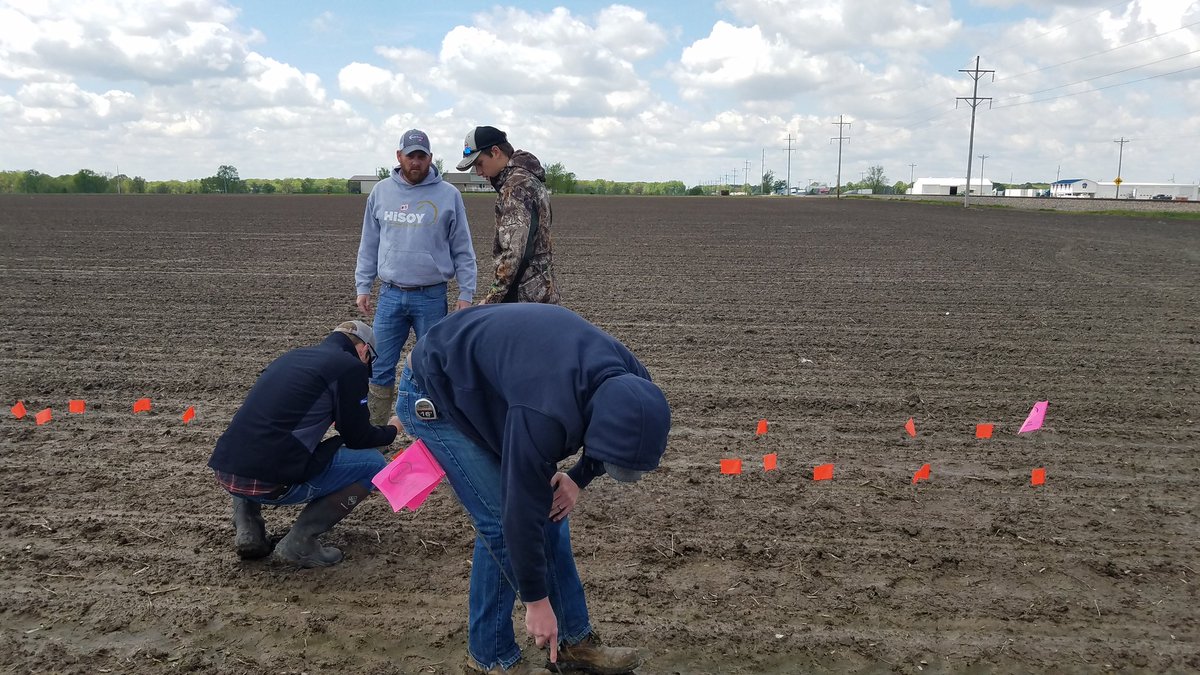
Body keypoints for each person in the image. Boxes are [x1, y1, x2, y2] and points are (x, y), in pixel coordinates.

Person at [396, 303, 670, 675]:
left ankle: (575, 645)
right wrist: (536, 603)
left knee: (551, 512)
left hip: (494, 384)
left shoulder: (635, 384)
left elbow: (604, 445)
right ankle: (490, 659)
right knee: (499, 524)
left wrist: (579, 476)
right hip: (434, 391)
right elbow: (518, 511)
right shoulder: (545, 413)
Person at [208, 321, 401, 568]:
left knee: (259, 443)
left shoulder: (292, 357)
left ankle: (249, 528)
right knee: (372, 463)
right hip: (271, 482)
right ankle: (300, 542)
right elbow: (357, 437)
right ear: (363, 350)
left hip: (227, 471)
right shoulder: (349, 367)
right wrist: (393, 429)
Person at [356, 128, 477, 425]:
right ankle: (375, 433)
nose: (416, 162)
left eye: (421, 156)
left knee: (432, 368)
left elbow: (463, 247)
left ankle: (428, 435)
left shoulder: (449, 195)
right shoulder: (381, 192)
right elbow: (369, 243)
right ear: (399, 157)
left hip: (431, 296)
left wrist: (466, 294)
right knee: (379, 365)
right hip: (390, 294)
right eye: (410, 156)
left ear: (430, 158)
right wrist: (363, 285)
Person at [456, 126, 559, 305]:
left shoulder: (515, 188)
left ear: (495, 152)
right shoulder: (529, 179)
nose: (479, 172)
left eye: (479, 163)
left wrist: (491, 299)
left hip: (522, 301)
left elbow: (515, 253)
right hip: (540, 293)